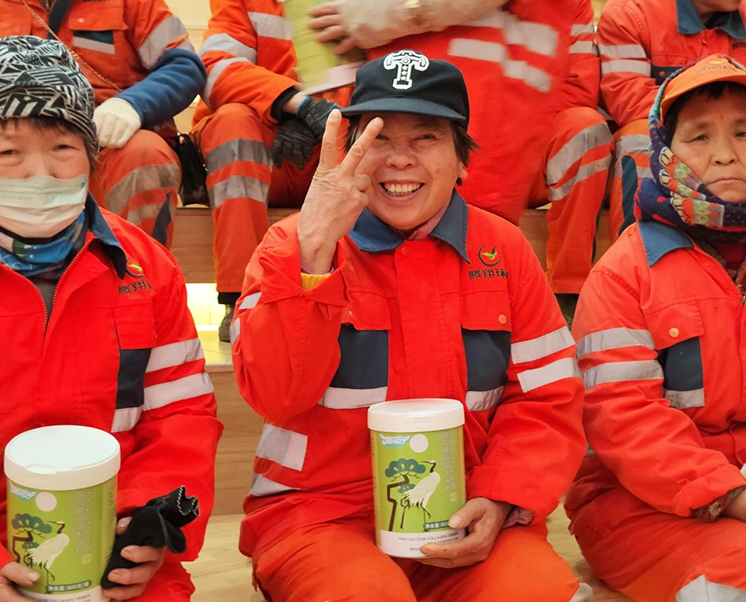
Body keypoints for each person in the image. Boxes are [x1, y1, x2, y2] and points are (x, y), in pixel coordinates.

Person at [231, 50, 590, 601]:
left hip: (465, 510)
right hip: (319, 515)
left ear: (462, 159)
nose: (400, 159)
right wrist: (315, 251)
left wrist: (500, 498)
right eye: (379, 137)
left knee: (542, 593)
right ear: (350, 153)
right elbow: (275, 394)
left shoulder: (506, 251)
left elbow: (546, 400)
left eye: (426, 137)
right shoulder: (291, 245)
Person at [0, 36, 222, 601]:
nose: (39, 174)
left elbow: (182, 413)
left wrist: (149, 523)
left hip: (112, 534)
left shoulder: (150, 268)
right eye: (7, 153)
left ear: (92, 155)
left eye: (63, 147)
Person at [566, 54, 746, 600]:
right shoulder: (623, 273)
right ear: (665, 155)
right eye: (699, 137)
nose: (725, 153)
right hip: (637, 505)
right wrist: (729, 495)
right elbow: (624, 420)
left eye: (743, 132)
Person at [309, 0, 613, 313]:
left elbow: (577, 88)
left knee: (584, 128)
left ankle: (570, 292)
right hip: (435, 151)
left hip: (512, 158)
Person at [192, 0, 347, 342]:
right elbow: (215, 67)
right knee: (232, 122)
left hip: (331, 142)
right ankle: (241, 297)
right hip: (262, 145)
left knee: (374, 126)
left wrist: (324, 115)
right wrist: (293, 104)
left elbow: (378, 75)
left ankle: (358, 294)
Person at [0, 0, 206, 248]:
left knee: (146, 151)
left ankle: (138, 265)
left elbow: (184, 66)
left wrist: (133, 105)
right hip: (8, 148)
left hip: (112, 146)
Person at [598, 0, 746, 242]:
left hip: (735, 134)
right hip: (673, 138)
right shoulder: (628, 13)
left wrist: (738, 127)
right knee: (640, 139)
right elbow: (627, 97)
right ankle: (641, 251)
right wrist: (703, 126)